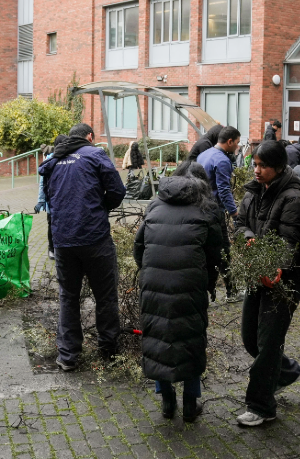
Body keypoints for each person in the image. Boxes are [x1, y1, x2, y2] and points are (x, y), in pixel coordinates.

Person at [134, 160, 223, 422]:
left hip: (154, 281)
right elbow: (215, 254)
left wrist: (150, 271)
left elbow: (139, 246)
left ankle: (166, 402)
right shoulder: (207, 209)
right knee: (190, 339)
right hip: (190, 282)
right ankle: (190, 405)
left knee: (160, 337)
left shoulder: (155, 204)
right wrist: (209, 283)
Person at [39, 123, 127, 371]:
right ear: (90, 137)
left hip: (63, 240)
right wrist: (100, 208)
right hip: (94, 238)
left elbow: (50, 197)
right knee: (106, 295)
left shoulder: (54, 160)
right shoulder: (95, 154)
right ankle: (108, 351)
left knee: (68, 296)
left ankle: (68, 356)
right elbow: (118, 191)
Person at [234, 140, 300, 426]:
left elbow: (290, 241)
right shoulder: (253, 192)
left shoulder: (293, 198)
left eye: (263, 165)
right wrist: (247, 236)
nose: (256, 169)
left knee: (267, 344)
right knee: (250, 338)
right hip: (257, 274)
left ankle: (261, 407)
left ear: (278, 167)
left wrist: (275, 265)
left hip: (283, 282)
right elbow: (239, 224)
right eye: (254, 164)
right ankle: (288, 372)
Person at [197, 126, 241, 300]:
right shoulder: (222, 161)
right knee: (223, 250)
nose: (237, 147)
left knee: (206, 250)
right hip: (215, 212)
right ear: (229, 141)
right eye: (237, 143)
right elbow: (224, 190)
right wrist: (234, 212)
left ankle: (206, 290)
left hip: (200, 208)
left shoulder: (204, 155)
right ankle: (232, 291)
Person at [35, 143, 55, 260]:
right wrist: (41, 201)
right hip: (51, 200)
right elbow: (43, 183)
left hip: (60, 200)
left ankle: (55, 248)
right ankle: (51, 248)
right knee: (51, 224)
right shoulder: (49, 160)